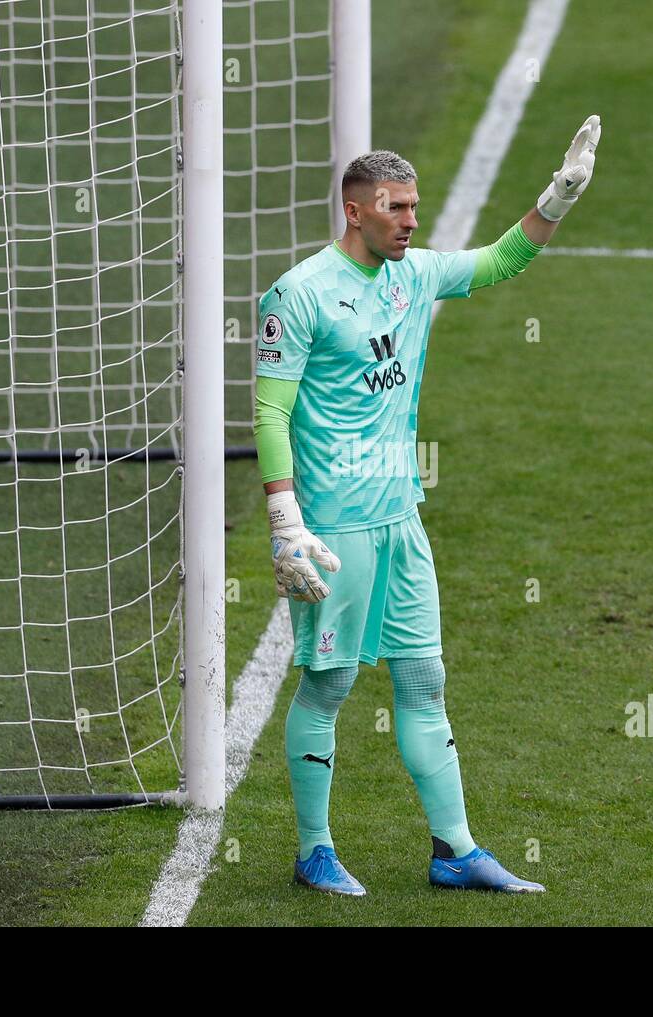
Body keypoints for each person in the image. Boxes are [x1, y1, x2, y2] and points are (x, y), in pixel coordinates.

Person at [252, 116, 602, 895]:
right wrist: (287, 523)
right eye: (396, 207)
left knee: (423, 678)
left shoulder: (414, 277)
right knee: (329, 685)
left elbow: (502, 260)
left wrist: (560, 194)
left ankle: (456, 849)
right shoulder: (299, 295)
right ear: (356, 210)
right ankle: (316, 850)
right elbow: (270, 412)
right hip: (334, 526)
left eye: (414, 206)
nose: (412, 220)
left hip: (401, 516)